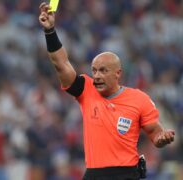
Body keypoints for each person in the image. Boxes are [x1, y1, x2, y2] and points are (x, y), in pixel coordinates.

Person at [38, 2, 175, 180]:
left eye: (103, 70)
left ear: (118, 73)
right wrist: (50, 31)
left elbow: (155, 134)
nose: (97, 76)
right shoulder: (86, 90)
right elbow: (61, 64)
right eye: (94, 70)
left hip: (126, 174)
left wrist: (161, 139)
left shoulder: (139, 99)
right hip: (94, 175)